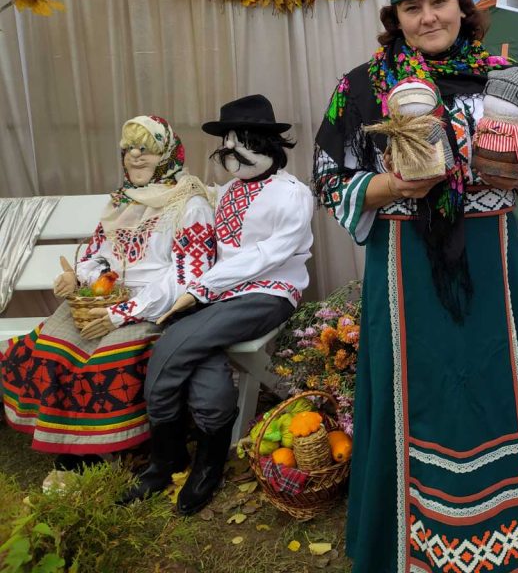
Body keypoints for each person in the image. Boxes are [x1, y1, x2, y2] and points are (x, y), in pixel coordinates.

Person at [313, 0, 518, 572]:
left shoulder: (508, 80)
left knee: (489, 391)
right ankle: (400, 546)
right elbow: (325, 176)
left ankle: (501, 544)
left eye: (439, 2)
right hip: (404, 269)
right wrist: (390, 188)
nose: (428, 17)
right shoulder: (363, 88)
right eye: (412, 7)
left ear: (462, 8)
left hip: (490, 263)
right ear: (394, 17)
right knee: (406, 393)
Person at [122, 95, 314, 515]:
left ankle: (165, 459)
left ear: (269, 146)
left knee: (174, 342)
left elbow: (266, 256)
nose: (231, 152)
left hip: (267, 292)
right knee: (199, 351)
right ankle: (204, 461)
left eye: (242, 142)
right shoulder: (224, 191)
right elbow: (210, 243)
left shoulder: (292, 194)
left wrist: (203, 289)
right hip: (217, 293)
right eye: (226, 144)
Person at [1, 116, 214, 488]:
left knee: (100, 362)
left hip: (157, 307)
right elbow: (105, 255)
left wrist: (121, 313)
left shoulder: (189, 204)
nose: (134, 157)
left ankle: (100, 453)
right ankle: (72, 454)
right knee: (53, 348)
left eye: (145, 149)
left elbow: (185, 279)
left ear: (166, 153)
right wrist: (81, 277)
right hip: (107, 297)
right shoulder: (123, 200)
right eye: (128, 149)